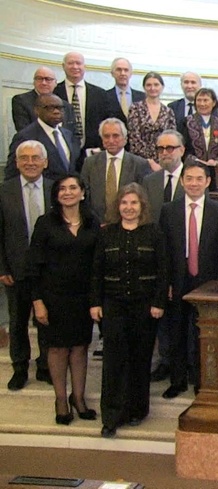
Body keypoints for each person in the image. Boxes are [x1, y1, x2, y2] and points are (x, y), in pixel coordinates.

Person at [90, 183, 168, 438]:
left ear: (142, 206)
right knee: (113, 361)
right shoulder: (106, 234)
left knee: (139, 359)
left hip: (145, 307)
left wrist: (158, 303)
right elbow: (96, 271)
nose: (129, 208)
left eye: (134, 203)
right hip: (113, 305)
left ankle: (137, 410)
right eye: (124, 203)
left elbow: (163, 270)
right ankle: (111, 416)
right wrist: (95, 303)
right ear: (118, 206)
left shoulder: (153, 232)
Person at [26, 174, 100, 424]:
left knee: (80, 348)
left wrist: (96, 300)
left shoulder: (92, 222)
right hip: (53, 298)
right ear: (56, 195)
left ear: (82, 192)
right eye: (62, 189)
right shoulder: (45, 223)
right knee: (57, 349)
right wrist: (37, 301)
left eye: (73, 188)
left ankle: (78, 398)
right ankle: (60, 399)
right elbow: (33, 265)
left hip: (83, 299)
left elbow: (97, 265)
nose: (68, 192)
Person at [160, 161, 218, 399]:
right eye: (189, 178)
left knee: (203, 333)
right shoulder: (169, 211)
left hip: (207, 282)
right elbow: (164, 251)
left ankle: (201, 381)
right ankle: (177, 381)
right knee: (176, 331)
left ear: (208, 182)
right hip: (178, 279)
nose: (194, 183)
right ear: (182, 181)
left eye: (199, 179)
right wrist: (165, 283)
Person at [1, 141, 52, 390]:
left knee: (46, 320)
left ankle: (45, 366)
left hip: (49, 270)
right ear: (17, 162)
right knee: (18, 321)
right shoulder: (5, 190)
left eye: (35, 157)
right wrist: (2, 268)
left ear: (45, 162)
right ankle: (20, 367)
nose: (30, 162)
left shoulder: (56, 189)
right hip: (16, 269)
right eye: (25, 158)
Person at [142, 130, 186, 383]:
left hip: (185, 257)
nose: (166, 153)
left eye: (171, 148)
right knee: (162, 315)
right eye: (161, 149)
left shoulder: (193, 177)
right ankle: (165, 360)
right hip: (157, 258)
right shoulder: (149, 181)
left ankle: (185, 363)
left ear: (182, 150)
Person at [81, 118, 151, 223]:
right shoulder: (90, 163)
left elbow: (144, 199)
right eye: (106, 136)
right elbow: (84, 195)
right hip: (97, 224)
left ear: (125, 138)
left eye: (116, 136)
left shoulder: (139, 164)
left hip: (129, 224)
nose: (111, 140)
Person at [7, 94, 81, 180]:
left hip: (66, 191)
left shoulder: (68, 134)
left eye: (60, 108)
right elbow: (12, 172)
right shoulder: (25, 136)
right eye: (50, 108)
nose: (56, 111)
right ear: (37, 110)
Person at [53, 52, 107, 153]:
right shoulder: (54, 93)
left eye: (78, 63)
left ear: (84, 66)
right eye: (71, 63)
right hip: (62, 152)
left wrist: (101, 148)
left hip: (92, 152)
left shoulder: (100, 94)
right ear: (63, 66)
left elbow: (106, 123)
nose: (75, 66)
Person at [180, 87, 218, 192]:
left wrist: (216, 161)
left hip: (214, 173)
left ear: (214, 102)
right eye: (199, 100)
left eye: (205, 100)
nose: (202, 104)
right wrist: (196, 161)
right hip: (192, 171)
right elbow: (182, 147)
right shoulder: (186, 122)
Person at [127, 72, 176, 172]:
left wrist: (161, 160)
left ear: (162, 87)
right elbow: (134, 138)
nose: (152, 88)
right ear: (144, 87)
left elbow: (172, 138)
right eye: (149, 85)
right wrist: (150, 161)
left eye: (156, 84)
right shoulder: (135, 108)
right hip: (140, 162)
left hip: (163, 163)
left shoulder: (168, 111)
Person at [11, 66, 76, 132]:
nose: (43, 83)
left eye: (48, 79)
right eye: (39, 79)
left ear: (55, 83)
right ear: (34, 82)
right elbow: (23, 131)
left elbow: (73, 135)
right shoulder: (21, 101)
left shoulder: (67, 106)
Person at [104, 58, 144, 125]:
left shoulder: (142, 97)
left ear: (131, 73)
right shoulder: (104, 96)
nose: (122, 73)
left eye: (126, 70)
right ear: (112, 73)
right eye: (119, 70)